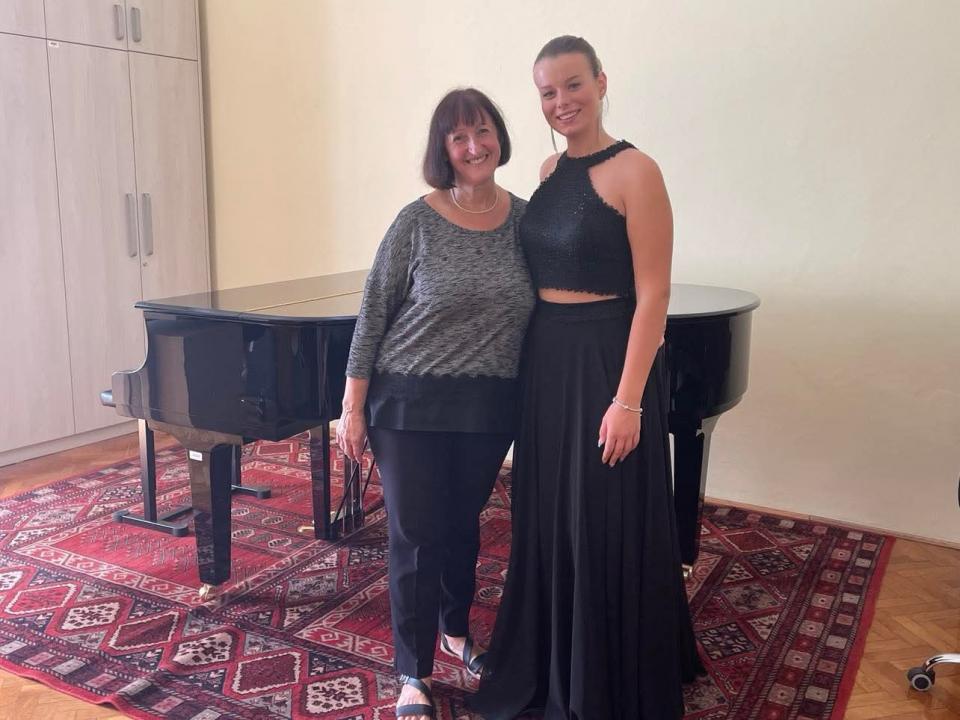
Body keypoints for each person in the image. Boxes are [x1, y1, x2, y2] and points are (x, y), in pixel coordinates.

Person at [469, 36, 704, 719]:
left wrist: (628, 401)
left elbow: (654, 295)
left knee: (602, 515)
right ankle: (552, 660)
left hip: (608, 359)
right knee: (550, 513)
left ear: (601, 82)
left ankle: (604, 676)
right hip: (547, 360)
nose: (561, 102)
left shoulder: (637, 171)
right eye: (547, 92)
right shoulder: (548, 170)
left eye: (573, 85)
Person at [337, 88, 534, 720]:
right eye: (459, 137)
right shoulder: (416, 222)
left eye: (483, 131)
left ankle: (455, 632)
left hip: (488, 405)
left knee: (461, 526)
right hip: (409, 402)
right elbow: (373, 313)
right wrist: (353, 406)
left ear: (499, 136)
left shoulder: (526, 220)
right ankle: (413, 673)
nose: (474, 146)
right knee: (417, 535)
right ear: (443, 149)